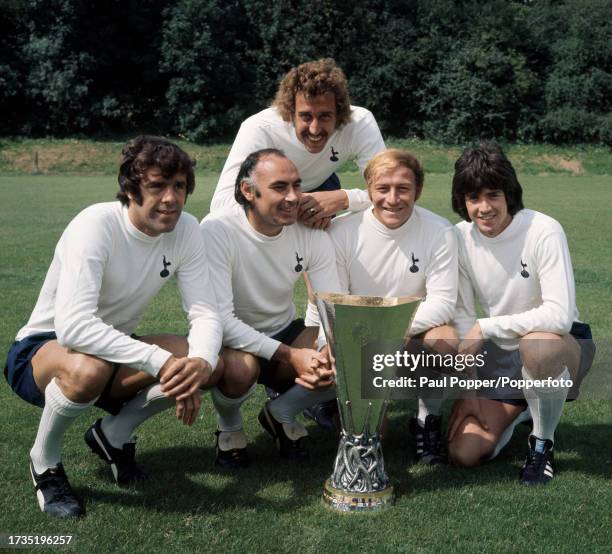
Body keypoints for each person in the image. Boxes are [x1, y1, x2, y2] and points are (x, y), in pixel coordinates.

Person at [4, 136, 224, 518]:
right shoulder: (96, 224)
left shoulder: (187, 229)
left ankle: (113, 437)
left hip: (113, 348)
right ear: (130, 188)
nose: (171, 198)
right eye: (157, 186)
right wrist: (160, 361)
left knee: (205, 360)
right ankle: (45, 461)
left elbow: (205, 312)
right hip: (43, 351)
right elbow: (72, 327)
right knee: (91, 366)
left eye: (179, 186)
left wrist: (200, 363)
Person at [447, 143, 595, 485]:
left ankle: (542, 443)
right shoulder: (458, 238)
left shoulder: (544, 229)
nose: (484, 208)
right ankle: (528, 405)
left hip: (561, 344)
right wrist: (469, 389)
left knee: (538, 346)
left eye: (492, 195)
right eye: (473, 198)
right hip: (503, 351)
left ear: (508, 194)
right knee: (463, 453)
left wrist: (488, 326)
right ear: (462, 202)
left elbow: (558, 316)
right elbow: (466, 320)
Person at [201, 149, 341, 468]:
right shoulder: (217, 229)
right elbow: (219, 319)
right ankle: (230, 430)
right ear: (248, 191)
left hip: (285, 330)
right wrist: (291, 356)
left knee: (343, 355)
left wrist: (325, 348)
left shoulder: (308, 230)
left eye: (297, 186)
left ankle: (280, 412)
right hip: (231, 340)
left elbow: (331, 301)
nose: (293, 197)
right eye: (280, 187)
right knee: (240, 369)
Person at [329, 149, 458, 464]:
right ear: (369, 189)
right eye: (382, 188)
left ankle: (427, 421)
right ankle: (312, 408)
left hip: (406, 335)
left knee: (445, 341)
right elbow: (333, 300)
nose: (392, 198)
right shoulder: (342, 231)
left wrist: (392, 332)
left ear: (418, 191)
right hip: (358, 341)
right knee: (374, 436)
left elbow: (442, 303)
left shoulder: (440, 231)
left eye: (403, 188)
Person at [209, 58, 385, 229]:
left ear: (339, 114)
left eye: (325, 116)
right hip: (274, 195)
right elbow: (222, 203)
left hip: (326, 186)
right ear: (290, 112)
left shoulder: (360, 122)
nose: (315, 129)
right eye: (306, 117)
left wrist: (343, 198)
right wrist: (292, 205)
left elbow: (390, 189)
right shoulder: (259, 128)